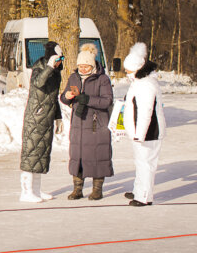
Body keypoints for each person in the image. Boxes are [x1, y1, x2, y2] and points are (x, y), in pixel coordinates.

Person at [59, 44, 113, 200]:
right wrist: (66, 96)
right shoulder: (73, 77)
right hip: (78, 124)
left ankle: (97, 189)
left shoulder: (102, 79)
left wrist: (87, 99)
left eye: (86, 66)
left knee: (98, 155)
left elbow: (107, 101)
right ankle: (78, 188)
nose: (82, 69)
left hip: (96, 124)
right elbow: (63, 98)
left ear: (92, 65)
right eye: (80, 66)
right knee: (78, 156)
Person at [122, 42, 166, 207]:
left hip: (149, 132)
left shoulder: (146, 85)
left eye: (128, 71)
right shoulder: (139, 83)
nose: (126, 74)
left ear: (137, 69)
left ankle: (144, 196)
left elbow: (146, 112)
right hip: (140, 132)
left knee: (146, 164)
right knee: (140, 162)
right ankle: (139, 189)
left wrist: (140, 133)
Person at [19, 41, 64, 203]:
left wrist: (58, 116)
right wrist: (49, 67)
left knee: (41, 154)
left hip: (47, 116)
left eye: (62, 58)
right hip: (36, 117)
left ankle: (36, 190)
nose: (60, 61)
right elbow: (37, 83)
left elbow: (53, 96)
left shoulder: (55, 72)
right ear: (51, 58)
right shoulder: (40, 68)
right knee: (31, 154)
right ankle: (26, 191)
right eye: (58, 58)